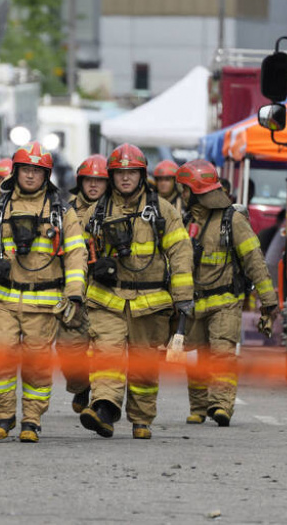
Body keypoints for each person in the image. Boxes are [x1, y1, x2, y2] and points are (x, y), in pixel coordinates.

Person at [0, 142, 88, 443]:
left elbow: (75, 253)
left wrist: (73, 291)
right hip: (3, 298)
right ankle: (4, 416)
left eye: (37, 170)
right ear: (15, 172)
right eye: (25, 170)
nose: (30, 176)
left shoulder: (61, 211)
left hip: (44, 302)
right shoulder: (0, 206)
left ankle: (32, 420)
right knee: (0, 356)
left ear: (46, 175)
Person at [79, 143, 194, 440]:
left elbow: (181, 255)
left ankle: (141, 419)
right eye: (120, 173)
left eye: (132, 173)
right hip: (107, 299)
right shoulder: (97, 210)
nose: (126, 179)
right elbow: (77, 254)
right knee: (107, 355)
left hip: (151, 303)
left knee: (144, 368)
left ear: (142, 175)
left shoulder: (163, 211)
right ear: (112, 176)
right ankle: (104, 409)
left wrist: (183, 301)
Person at [176, 159, 278, 426]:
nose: (181, 194)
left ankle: (220, 405)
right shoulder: (185, 221)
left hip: (225, 302)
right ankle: (198, 407)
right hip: (194, 303)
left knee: (222, 354)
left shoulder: (232, 220)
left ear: (196, 190)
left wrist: (269, 302)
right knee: (195, 355)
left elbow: (255, 260)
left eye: (184, 189)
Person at [59, 154, 108, 413]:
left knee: (103, 344)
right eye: (89, 180)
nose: (93, 185)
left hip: (105, 287)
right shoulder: (64, 210)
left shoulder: (114, 210)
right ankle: (81, 385)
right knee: (69, 347)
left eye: (99, 181)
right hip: (72, 287)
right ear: (80, 181)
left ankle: (101, 397)